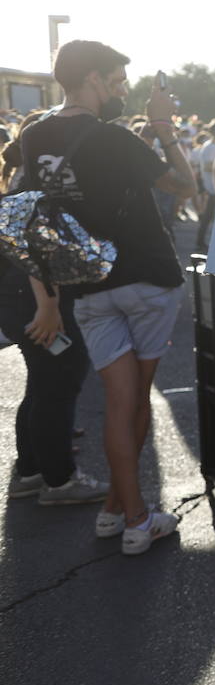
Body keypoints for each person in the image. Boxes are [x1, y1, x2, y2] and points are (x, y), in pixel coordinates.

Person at [23, 40, 199, 552]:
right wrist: (163, 130)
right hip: (144, 277)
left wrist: (49, 297)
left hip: (87, 286)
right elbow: (184, 186)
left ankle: (114, 509)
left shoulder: (34, 137)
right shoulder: (112, 138)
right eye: (118, 81)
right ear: (95, 79)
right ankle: (137, 521)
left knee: (120, 403)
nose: (121, 90)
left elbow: (38, 215)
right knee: (132, 403)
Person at [1, 140, 97, 506]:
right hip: (31, 300)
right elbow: (35, 247)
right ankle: (59, 482)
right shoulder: (34, 186)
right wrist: (49, 305)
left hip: (17, 299)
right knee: (59, 383)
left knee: (43, 384)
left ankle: (32, 471)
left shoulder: (23, 181)